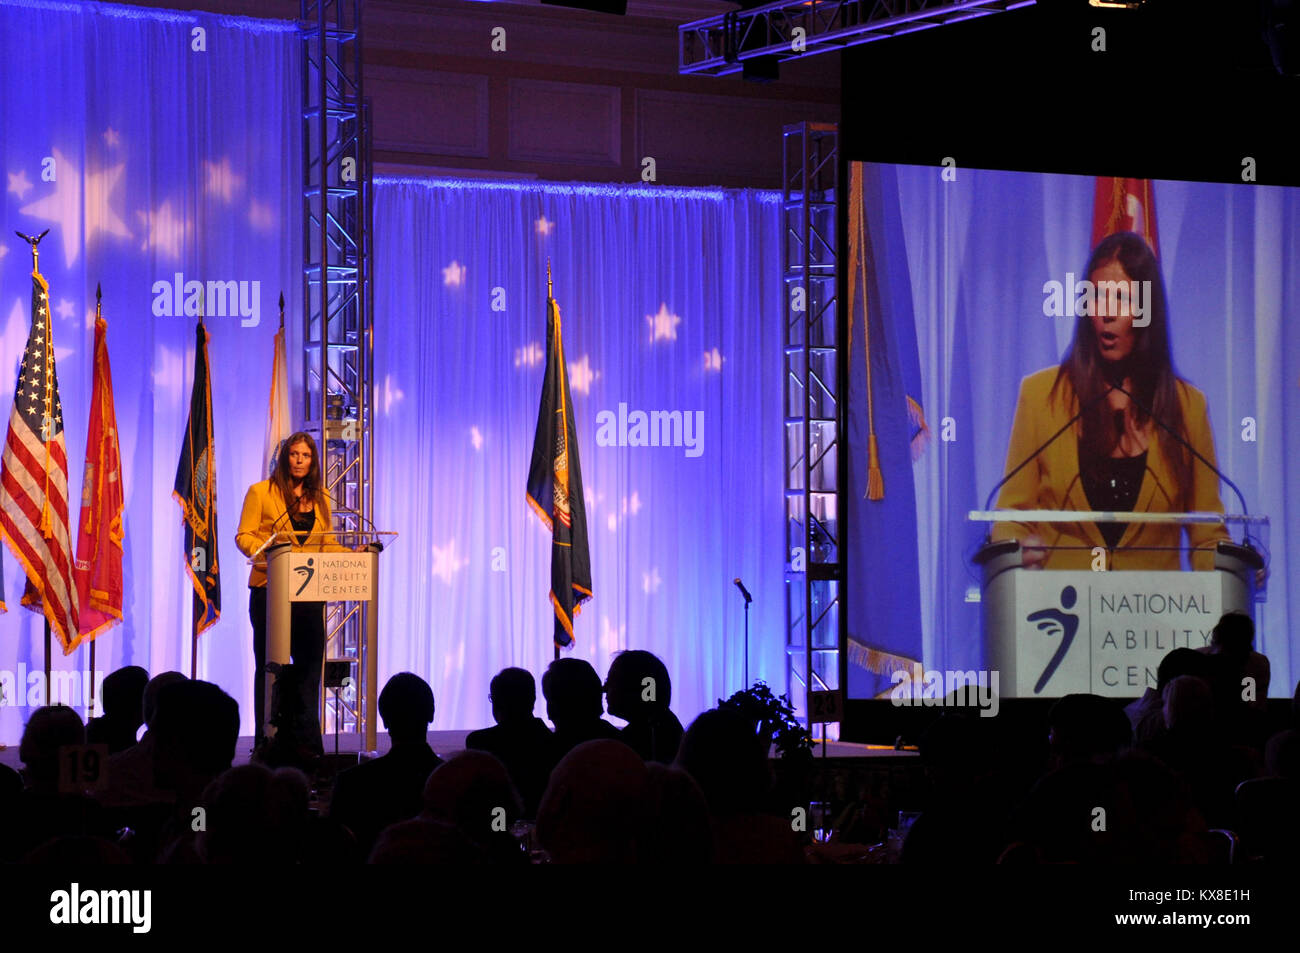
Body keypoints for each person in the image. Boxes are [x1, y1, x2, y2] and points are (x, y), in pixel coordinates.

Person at [993, 232, 1230, 571]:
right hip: (1060, 614)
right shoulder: (1039, 396)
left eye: (1121, 299)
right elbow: (1012, 518)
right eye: (1098, 298)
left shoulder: (1188, 407)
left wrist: (1238, 573)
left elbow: (1207, 537)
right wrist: (1012, 548)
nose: (1106, 314)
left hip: (1155, 617)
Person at [235, 431, 346, 753]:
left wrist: (357, 553)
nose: (299, 460)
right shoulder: (261, 492)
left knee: (310, 670)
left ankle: (309, 745)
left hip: (309, 595)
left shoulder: (321, 497)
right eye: (295, 454)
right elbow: (244, 536)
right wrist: (268, 554)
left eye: (306, 455)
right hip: (270, 591)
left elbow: (327, 545)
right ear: (285, 458)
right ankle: (266, 742)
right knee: (271, 669)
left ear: (313, 462)